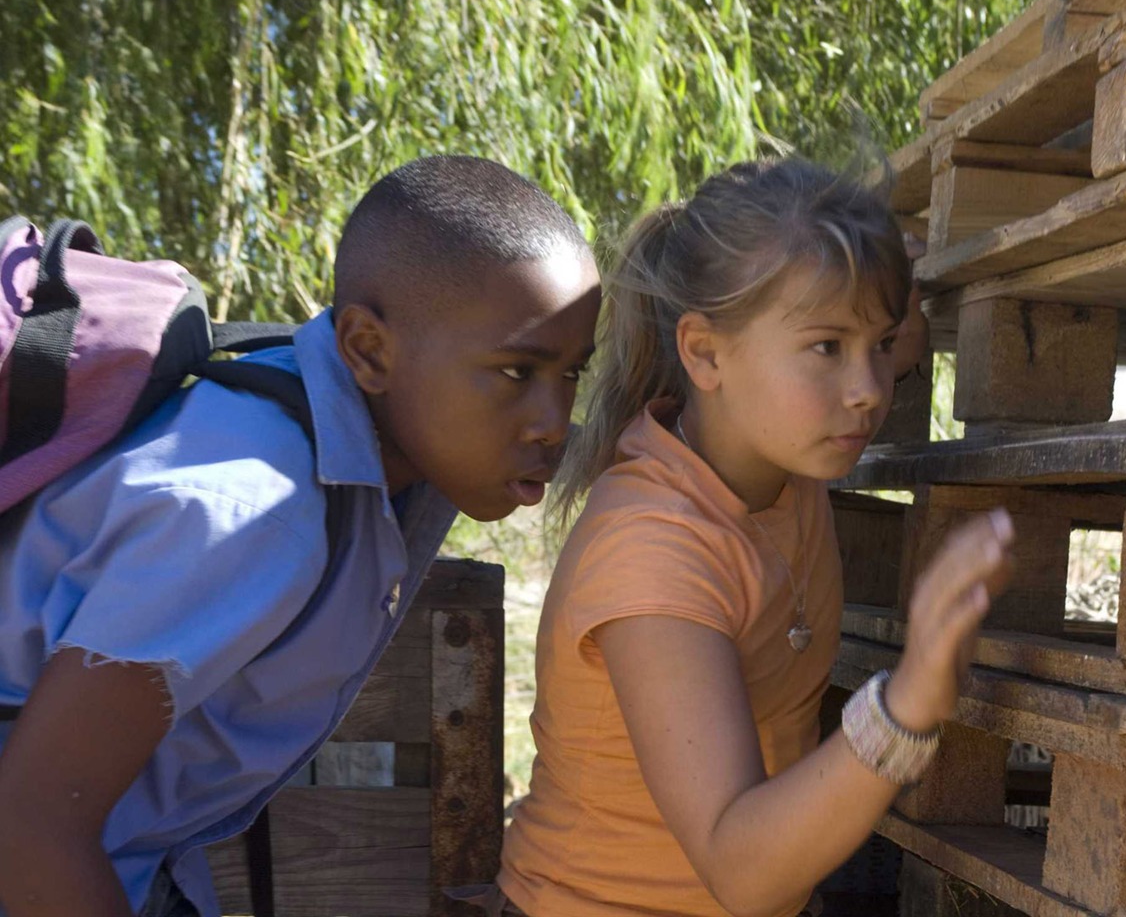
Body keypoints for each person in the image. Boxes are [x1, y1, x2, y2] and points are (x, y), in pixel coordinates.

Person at [0, 156, 602, 917]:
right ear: (370, 350)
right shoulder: (256, 516)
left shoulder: (374, 419)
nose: (551, 421)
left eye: (573, 373)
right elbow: (30, 827)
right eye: (518, 372)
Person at [486, 157, 1014, 917]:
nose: (868, 389)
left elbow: (893, 327)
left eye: (881, 344)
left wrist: (888, 266)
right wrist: (904, 708)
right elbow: (739, 871)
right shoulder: (654, 549)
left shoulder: (778, 448)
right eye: (828, 347)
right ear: (703, 353)